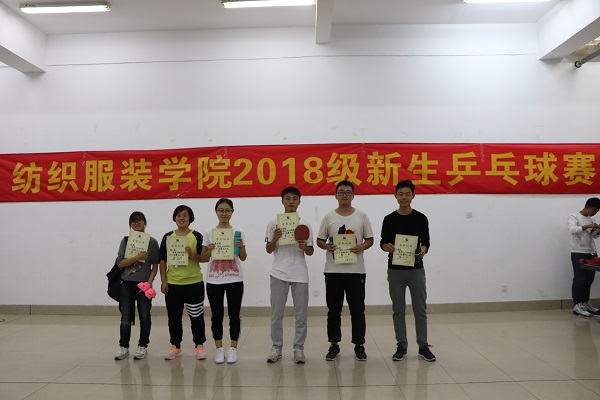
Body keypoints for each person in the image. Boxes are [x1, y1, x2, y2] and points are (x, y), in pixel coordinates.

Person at [316, 180, 373, 361]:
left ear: (353, 195)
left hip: (356, 272)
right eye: (341, 192)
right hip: (333, 271)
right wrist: (327, 246)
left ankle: (359, 345)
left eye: (348, 192)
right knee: (334, 310)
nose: (344, 195)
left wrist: (361, 247)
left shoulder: (362, 216)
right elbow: (319, 240)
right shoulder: (328, 217)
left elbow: (370, 239)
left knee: (358, 310)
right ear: (336, 195)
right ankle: (334, 344)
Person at [380, 180, 435, 362]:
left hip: (416, 269)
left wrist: (423, 250)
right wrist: (386, 247)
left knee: (420, 309)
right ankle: (401, 345)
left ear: (413, 196)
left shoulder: (421, 218)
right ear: (395, 196)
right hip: (395, 270)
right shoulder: (389, 219)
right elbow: (383, 242)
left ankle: (423, 345)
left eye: (407, 194)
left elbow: (426, 241)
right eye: (401, 194)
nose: (404, 197)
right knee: (398, 310)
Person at [265, 186, 314, 364]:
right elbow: (268, 249)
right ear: (282, 201)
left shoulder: (305, 224)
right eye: (288, 198)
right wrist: (275, 239)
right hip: (279, 273)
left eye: (294, 198)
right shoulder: (273, 223)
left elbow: (310, 251)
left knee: (301, 316)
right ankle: (276, 347)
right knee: (277, 315)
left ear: (299, 201)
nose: (291, 201)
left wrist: (304, 247)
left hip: (300, 274)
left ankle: (298, 349)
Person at [200, 198, 247, 364]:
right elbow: (204, 258)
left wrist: (241, 246)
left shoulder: (238, 232)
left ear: (232, 212)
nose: (224, 213)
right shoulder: (209, 233)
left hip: (235, 278)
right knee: (216, 315)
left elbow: (243, 257)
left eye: (227, 210)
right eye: (221, 210)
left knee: (235, 314)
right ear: (216, 212)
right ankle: (219, 349)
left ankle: (233, 349)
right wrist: (209, 250)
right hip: (214, 279)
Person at [159, 205, 207, 360]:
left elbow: (203, 258)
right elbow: (162, 260)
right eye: (178, 215)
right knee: (174, 318)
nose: (181, 218)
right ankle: (175, 346)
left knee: (196, 316)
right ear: (174, 218)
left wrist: (191, 255)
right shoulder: (168, 237)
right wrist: (164, 281)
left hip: (194, 283)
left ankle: (199, 346)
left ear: (190, 218)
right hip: (173, 284)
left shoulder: (197, 236)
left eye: (185, 215)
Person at [114, 211, 159, 360]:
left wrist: (149, 283)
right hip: (126, 283)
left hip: (143, 285)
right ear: (130, 225)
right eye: (133, 221)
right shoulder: (126, 241)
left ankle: (143, 346)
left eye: (140, 220)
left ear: (145, 222)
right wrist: (138, 257)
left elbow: (155, 265)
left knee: (145, 316)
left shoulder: (152, 242)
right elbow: (120, 263)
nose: (137, 223)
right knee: (126, 316)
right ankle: (123, 347)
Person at [568, 197, 600, 317]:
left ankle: (585, 303)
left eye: (597, 211)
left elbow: (594, 236)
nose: (595, 213)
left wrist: (598, 230)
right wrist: (588, 226)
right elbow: (572, 230)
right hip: (578, 252)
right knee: (579, 280)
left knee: (589, 280)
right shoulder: (574, 216)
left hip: (591, 252)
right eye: (594, 210)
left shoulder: (592, 219)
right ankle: (577, 305)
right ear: (587, 207)